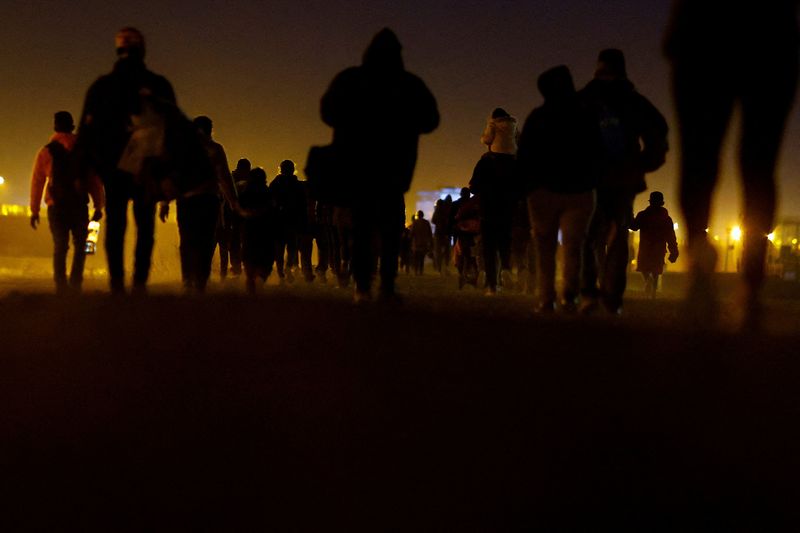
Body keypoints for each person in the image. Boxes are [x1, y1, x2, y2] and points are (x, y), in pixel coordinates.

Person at [665, 1, 799, 329]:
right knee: (758, 165)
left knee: (699, 158)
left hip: (703, 30)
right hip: (771, 33)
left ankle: (702, 274)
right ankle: (750, 285)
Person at [320, 27, 439, 302]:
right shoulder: (409, 84)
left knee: (361, 227)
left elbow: (327, 111)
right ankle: (386, 284)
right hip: (394, 168)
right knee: (390, 229)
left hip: (357, 166)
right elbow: (431, 120)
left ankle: (362, 286)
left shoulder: (350, 79)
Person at [73, 27, 177, 295]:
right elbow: (173, 131)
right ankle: (139, 284)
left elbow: (84, 134)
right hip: (147, 168)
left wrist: (82, 172)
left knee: (116, 224)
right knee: (145, 226)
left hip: (111, 169)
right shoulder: (158, 85)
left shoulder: (101, 87)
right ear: (143, 50)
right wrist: (167, 173)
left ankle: (117, 284)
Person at [578, 48, 669, 314]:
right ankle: (612, 297)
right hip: (623, 178)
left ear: (597, 67)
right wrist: (642, 164)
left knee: (588, 234)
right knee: (618, 237)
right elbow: (658, 133)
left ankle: (587, 292)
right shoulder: (633, 100)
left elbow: (564, 135)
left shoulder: (583, 99)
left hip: (589, 177)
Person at [518, 65, 600, 312]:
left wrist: (526, 187)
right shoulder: (587, 115)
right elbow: (598, 151)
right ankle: (570, 294)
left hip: (543, 192)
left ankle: (546, 298)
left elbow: (524, 155)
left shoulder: (537, 117)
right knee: (574, 245)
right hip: (579, 191)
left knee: (544, 247)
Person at [158, 116, 240, 293]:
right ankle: (201, 282)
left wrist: (165, 201)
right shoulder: (214, 149)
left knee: (187, 241)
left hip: (187, 202)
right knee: (205, 242)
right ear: (210, 130)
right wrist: (233, 202)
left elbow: (172, 177)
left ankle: (188, 280)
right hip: (207, 201)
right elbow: (224, 177)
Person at [29, 111, 104, 294]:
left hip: (56, 205)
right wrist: (99, 205)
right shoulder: (84, 151)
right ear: (72, 127)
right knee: (81, 245)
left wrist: (35, 210)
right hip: (79, 205)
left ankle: (61, 286)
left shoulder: (46, 151)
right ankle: (76, 282)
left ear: (55, 127)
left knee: (60, 245)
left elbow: (37, 181)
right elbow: (94, 180)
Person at [470, 108, 521, 295]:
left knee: (489, 246)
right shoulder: (516, 163)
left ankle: (492, 284)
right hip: (508, 209)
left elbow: (474, 186)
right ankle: (506, 267)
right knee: (505, 241)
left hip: (488, 209)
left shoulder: (485, 161)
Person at [630, 191, 679, 299]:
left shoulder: (643, 215)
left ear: (650, 202)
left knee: (644, 268)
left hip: (645, 247)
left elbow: (633, 226)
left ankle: (648, 281)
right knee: (656, 270)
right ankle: (653, 293)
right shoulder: (666, 219)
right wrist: (674, 251)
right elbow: (671, 236)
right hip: (659, 248)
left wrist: (629, 216)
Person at [238, 167, 274, 294]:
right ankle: (256, 291)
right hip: (264, 233)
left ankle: (251, 294)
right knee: (263, 266)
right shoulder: (269, 193)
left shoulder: (244, 194)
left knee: (250, 269)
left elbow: (238, 213)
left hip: (250, 232)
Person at [270, 160, 307, 283]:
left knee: (284, 248)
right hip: (287, 221)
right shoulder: (296, 185)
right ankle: (284, 270)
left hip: (283, 221)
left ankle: (283, 271)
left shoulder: (276, 183)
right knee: (289, 248)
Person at [409, 210, 433, 275]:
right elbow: (430, 234)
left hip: (416, 244)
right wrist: (430, 242)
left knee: (416, 258)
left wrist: (410, 241)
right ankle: (421, 271)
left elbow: (411, 234)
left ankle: (416, 271)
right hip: (424, 243)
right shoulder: (426, 223)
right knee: (421, 258)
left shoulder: (415, 223)